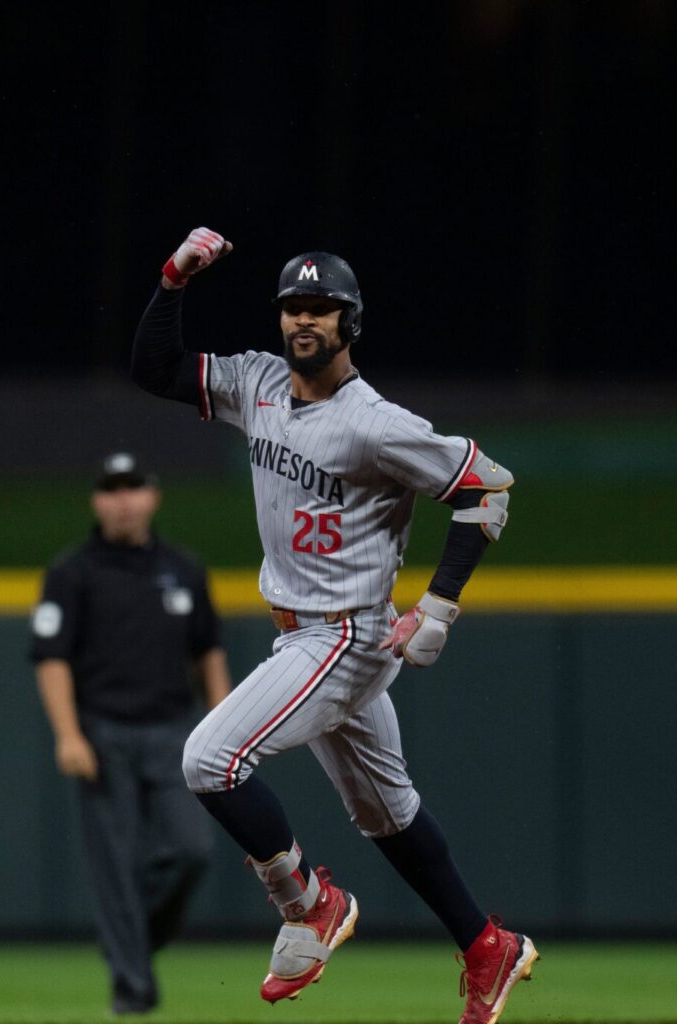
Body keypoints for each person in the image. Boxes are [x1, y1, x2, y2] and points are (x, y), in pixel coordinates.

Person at [129, 227, 538, 1024]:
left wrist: (439, 607)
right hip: (301, 631)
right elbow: (155, 369)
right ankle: (487, 944)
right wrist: (174, 280)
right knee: (388, 813)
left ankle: (307, 903)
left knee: (210, 760)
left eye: (321, 308)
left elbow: (488, 489)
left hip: (345, 634)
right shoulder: (258, 383)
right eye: (292, 308)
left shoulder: (376, 423)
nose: (302, 321)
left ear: (351, 322)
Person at [30, 452, 233, 1016]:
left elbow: (208, 652)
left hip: (174, 730)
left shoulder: (183, 568)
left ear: (153, 496)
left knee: (192, 850)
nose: (123, 500)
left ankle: (129, 941)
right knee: (114, 864)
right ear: (98, 500)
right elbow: (51, 658)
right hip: (103, 732)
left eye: (133, 488)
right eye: (112, 489)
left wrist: (227, 726)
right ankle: (132, 988)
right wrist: (68, 735)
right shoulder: (72, 571)